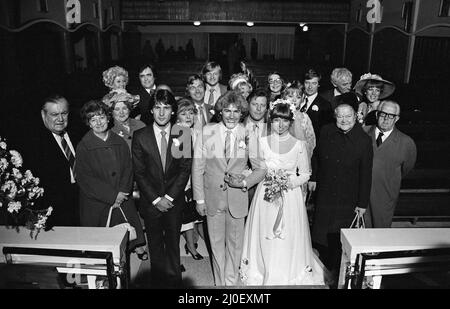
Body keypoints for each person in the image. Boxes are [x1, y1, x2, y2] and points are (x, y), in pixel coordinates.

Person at [240, 100, 326, 286]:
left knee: (287, 233)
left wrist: (288, 183)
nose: (281, 125)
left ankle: (287, 270)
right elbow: (256, 169)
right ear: (271, 120)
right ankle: (263, 269)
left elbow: (305, 174)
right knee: (265, 230)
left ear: (291, 121)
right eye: (277, 120)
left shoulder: (299, 145)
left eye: (285, 121)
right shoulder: (261, 142)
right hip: (266, 193)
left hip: (290, 194)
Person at [192, 90, 266, 286]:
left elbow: (261, 169)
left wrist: (244, 182)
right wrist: (199, 199)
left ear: (242, 112)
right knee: (216, 245)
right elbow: (197, 167)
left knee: (235, 245)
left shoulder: (249, 134)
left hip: (237, 198)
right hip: (212, 198)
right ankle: (219, 283)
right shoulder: (207, 132)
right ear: (220, 112)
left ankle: (231, 283)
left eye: (236, 111)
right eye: (227, 111)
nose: (231, 115)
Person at [132, 89, 192, 288]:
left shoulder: (181, 133)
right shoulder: (140, 136)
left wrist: (170, 197)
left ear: (173, 111)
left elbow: (184, 170)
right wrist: (157, 199)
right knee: (156, 248)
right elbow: (139, 173)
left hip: (174, 202)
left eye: (166, 108)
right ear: (151, 110)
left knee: (173, 247)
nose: (161, 113)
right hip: (151, 202)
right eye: (157, 107)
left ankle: (176, 284)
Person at [309, 104, 373, 285]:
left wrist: (362, 203)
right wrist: (313, 177)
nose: (344, 120)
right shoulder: (327, 131)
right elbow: (316, 156)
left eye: (348, 116)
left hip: (348, 196)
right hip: (326, 192)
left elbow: (366, 174)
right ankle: (324, 270)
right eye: (340, 117)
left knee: (340, 236)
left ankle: (339, 275)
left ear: (355, 116)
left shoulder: (363, 140)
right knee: (322, 233)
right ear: (335, 117)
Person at [75, 100, 146, 259]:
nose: (98, 122)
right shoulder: (84, 146)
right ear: (88, 123)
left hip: (122, 198)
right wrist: (112, 196)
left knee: (124, 240)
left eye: (101, 117)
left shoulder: (119, 141)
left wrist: (122, 192)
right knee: (104, 248)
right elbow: (86, 179)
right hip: (98, 203)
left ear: (108, 118)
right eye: (93, 119)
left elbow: (128, 168)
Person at [22, 95, 81, 227]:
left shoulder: (78, 134)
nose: (60, 119)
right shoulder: (34, 144)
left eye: (64, 113)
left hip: (82, 205)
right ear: (43, 115)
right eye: (54, 114)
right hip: (55, 215)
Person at [364, 101, 417, 228]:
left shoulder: (406, 142)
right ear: (377, 114)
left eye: (391, 116)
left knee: (379, 234)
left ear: (397, 118)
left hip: (385, 194)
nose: (386, 119)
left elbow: (406, 168)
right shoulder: (363, 133)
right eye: (383, 114)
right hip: (360, 193)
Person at [175, 98, 205, 261]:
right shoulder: (177, 132)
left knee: (196, 216)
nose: (188, 116)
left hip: (196, 179)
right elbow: (179, 163)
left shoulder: (197, 132)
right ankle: (191, 248)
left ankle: (193, 242)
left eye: (191, 113)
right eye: (183, 113)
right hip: (182, 182)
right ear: (177, 116)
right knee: (184, 218)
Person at [243, 88, 270, 202]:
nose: (258, 109)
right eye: (255, 104)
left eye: (262, 105)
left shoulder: (272, 128)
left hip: (267, 183)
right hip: (244, 183)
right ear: (248, 104)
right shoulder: (238, 125)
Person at [282, 81, 316, 160]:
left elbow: (311, 139)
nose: (294, 100)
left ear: (302, 99)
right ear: (284, 97)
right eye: (290, 96)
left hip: (299, 156)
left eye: (298, 97)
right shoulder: (279, 115)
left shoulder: (304, 117)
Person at [301, 69, 334, 139]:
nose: (310, 87)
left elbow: (326, 132)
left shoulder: (325, 105)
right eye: (307, 83)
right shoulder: (297, 100)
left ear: (318, 85)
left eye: (314, 83)